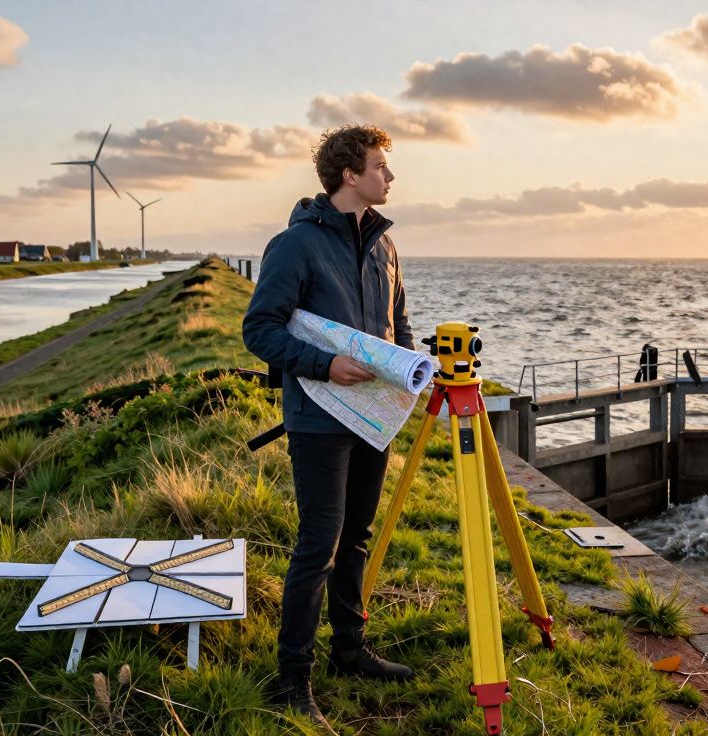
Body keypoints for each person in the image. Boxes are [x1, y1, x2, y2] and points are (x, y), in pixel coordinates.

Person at [242, 124, 415, 732]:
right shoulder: (295, 245)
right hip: (318, 417)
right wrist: (324, 364)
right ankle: (293, 679)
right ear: (350, 174)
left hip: (377, 415)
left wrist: (413, 371)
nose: (390, 177)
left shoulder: (385, 245)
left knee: (359, 535)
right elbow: (259, 329)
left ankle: (350, 648)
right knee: (319, 543)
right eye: (381, 167)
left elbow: (398, 322)